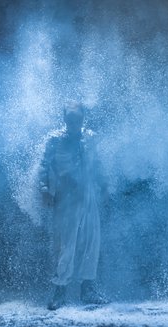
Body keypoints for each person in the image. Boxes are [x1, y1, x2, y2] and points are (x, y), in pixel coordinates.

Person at [39, 101, 108, 310]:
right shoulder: (54, 140)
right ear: (64, 119)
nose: (73, 123)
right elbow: (43, 166)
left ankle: (88, 290)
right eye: (69, 119)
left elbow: (97, 165)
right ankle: (59, 291)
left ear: (83, 119)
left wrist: (104, 187)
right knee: (66, 245)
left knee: (91, 241)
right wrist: (44, 189)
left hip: (87, 196)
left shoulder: (90, 138)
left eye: (77, 119)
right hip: (65, 196)